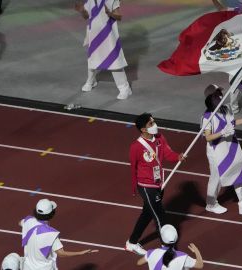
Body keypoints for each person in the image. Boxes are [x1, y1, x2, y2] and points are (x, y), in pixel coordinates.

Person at [127, 113, 186, 256]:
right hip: (146, 186)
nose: (154, 125)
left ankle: (132, 243)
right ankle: (168, 249)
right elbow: (133, 168)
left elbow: (167, 154)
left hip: (159, 183)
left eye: (154, 122)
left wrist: (178, 156)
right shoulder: (136, 147)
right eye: (150, 124)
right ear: (143, 129)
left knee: (146, 214)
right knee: (160, 216)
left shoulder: (160, 138)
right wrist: (136, 188)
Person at [202, 84, 242, 215]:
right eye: (217, 95)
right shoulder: (207, 117)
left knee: (238, 171)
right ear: (210, 99)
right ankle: (211, 204)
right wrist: (222, 132)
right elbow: (208, 137)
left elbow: (233, 123)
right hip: (216, 150)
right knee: (216, 178)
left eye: (220, 93)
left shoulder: (226, 108)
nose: (220, 96)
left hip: (231, 145)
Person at [75, 0, 132, 99]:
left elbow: (119, 17)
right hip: (94, 34)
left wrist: (109, 13)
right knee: (92, 58)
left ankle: (125, 88)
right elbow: (87, 16)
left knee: (114, 60)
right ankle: (91, 81)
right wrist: (82, 11)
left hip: (108, 34)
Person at [20, 199, 98, 270]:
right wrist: (80, 253)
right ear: (52, 214)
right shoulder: (51, 234)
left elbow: (20, 222)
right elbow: (61, 254)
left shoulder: (28, 221)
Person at [136, 224, 204, 269]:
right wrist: (196, 251)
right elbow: (200, 265)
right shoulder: (182, 256)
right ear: (176, 239)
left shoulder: (151, 252)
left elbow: (139, 263)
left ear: (162, 239)